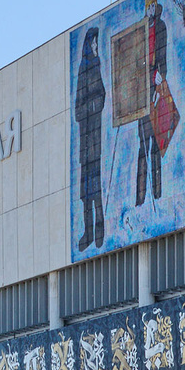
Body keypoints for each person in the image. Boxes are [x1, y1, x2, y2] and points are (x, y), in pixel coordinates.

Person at [135, 0, 168, 207]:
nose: (151, 9)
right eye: (149, 6)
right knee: (142, 144)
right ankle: (140, 196)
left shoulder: (161, 27)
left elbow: (163, 53)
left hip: (156, 85)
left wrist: (161, 75)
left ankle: (157, 193)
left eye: (154, 6)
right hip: (141, 90)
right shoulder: (140, 32)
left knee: (156, 142)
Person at [74, 26, 106, 251]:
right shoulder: (83, 70)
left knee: (96, 189)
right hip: (86, 143)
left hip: (95, 138)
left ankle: (100, 229)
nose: (96, 46)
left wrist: (94, 106)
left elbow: (102, 96)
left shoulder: (97, 66)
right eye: (94, 43)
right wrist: (89, 107)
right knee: (85, 192)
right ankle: (88, 231)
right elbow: (77, 109)